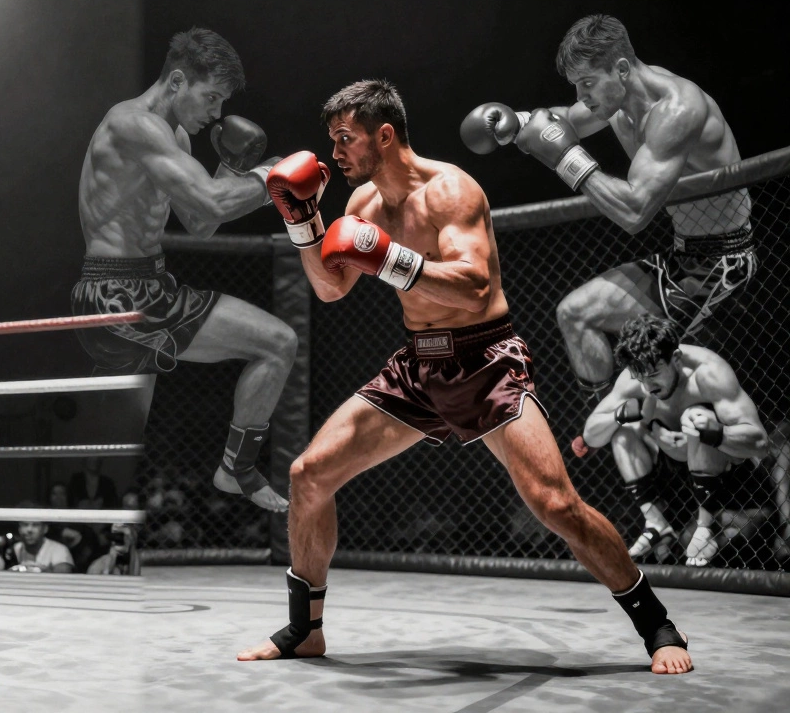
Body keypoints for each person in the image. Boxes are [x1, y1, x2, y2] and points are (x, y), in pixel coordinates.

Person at [238, 80, 691, 674]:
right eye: (333, 141)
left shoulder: (451, 190)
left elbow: (474, 286)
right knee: (308, 474)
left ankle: (656, 624)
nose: (336, 152)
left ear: (384, 134)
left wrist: (388, 258)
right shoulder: (362, 206)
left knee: (555, 504)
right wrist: (305, 222)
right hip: (418, 365)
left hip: (485, 358)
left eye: (345, 138)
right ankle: (305, 630)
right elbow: (329, 289)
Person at [461, 14, 755, 416]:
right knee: (575, 313)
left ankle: (634, 431)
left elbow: (635, 212)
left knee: (648, 375)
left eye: (587, 82)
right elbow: (565, 119)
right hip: (682, 256)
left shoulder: (676, 110)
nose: (582, 95)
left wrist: (565, 157)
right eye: (576, 85)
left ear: (621, 69)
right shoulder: (618, 103)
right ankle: (615, 435)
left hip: (723, 263)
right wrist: (520, 123)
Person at [72, 27, 293, 513]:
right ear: (176, 81)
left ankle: (100, 522)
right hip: (119, 294)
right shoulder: (133, 124)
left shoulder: (173, 137)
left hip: (146, 289)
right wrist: (271, 176)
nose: (216, 113)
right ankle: (236, 469)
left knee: (118, 450)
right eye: (211, 97)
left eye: (222, 102)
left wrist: (232, 167)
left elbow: (200, 223)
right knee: (278, 342)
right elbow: (212, 203)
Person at [577, 314, 769, 565]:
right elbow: (591, 435)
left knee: (697, 417)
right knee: (623, 432)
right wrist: (620, 415)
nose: (648, 386)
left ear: (676, 358)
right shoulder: (633, 379)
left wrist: (715, 432)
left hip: (723, 474)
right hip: (670, 471)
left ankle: (707, 527)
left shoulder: (708, 373)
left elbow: (760, 444)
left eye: (655, 373)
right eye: (640, 376)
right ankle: (656, 523)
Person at [0, 516, 75, 574]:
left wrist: (41, 570)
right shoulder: (12, 549)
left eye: (35, 525)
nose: (29, 530)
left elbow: (63, 578)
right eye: (25, 525)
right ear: (19, 529)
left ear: (45, 529)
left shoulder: (59, 549)